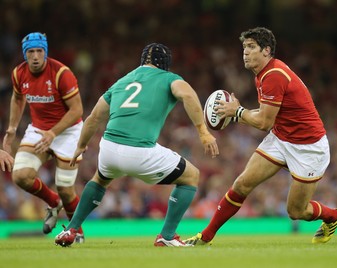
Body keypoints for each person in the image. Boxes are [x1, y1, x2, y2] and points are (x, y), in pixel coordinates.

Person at [184, 27, 337, 246]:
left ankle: (332, 217)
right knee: (242, 184)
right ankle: (206, 236)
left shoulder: (274, 75)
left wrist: (237, 113)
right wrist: (237, 114)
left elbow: (264, 122)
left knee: (296, 211)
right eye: (244, 48)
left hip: (309, 147)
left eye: (251, 47)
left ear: (266, 50)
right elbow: (266, 117)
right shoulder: (263, 74)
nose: (245, 53)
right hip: (281, 138)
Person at [54, 43, 219, 247]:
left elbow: (94, 117)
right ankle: (166, 236)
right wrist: (203, 132)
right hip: (139, 152)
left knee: (99, 179)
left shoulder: (121, 82)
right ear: (165, 63)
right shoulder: (168, 78)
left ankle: (71, 229)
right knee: (191, 176)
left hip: (109, 149)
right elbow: (187, 94)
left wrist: (80, 146)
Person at [2, 32, 85, 242]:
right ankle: (53, 202)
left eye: (40, 51)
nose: (36, 56)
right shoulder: (19, 73)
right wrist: (11, 128)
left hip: (68, 132)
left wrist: (54, 132)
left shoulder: (61, 73)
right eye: (31, 52)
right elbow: (18, 98)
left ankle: (76, 230)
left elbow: (77, 110)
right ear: (25, 54)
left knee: (66, 190)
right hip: (39, 129)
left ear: (45, 52)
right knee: (20, 176)